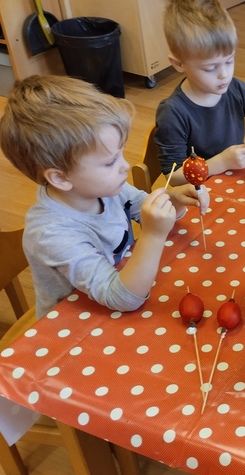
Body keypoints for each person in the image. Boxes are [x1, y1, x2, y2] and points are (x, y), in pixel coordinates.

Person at [0, 75, 209, 320]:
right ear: (60, 178)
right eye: (110, 162)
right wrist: (153, 234)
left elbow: (145, 210)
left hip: (121, 286)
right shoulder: (51, 234)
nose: (125, 166)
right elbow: (123, 298)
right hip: (73, 325)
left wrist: (174, 200)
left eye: (120, 154)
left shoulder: (104, 188)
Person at [156, 0, 245, 185]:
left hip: (235, 181)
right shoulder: (173, 113)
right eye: (210, 68)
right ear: (179, 64)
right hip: (202, 191)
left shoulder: (235, 89)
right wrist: (220, 163)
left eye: (229, 61)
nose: (224, 74)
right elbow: (173, 177)